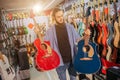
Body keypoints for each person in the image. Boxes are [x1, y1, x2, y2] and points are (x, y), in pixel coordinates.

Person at [34, 7, 90, 80]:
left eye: (62, 16)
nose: (61, 18)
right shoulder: (50, 31)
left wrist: (86, 35)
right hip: (59, 62)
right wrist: (38, 33)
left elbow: (78, 39)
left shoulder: (70, 27)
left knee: (73, 78)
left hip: (72, 60)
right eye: (58, 17)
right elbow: (44, 45)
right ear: (54, 17)